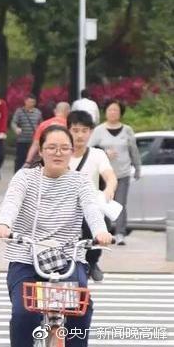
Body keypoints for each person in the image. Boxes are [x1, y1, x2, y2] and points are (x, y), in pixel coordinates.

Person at [0, 124, 112, 347]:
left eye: (64, 148)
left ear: (71, 152)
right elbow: (11, 202)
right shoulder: (25, 178)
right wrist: (4, 224)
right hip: (25, 257)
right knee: (24, 313)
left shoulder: (80, 181)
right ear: (40, 150)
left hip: (67, 258)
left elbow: (91, 209)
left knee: (81, 309)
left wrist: (100, 231)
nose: (58, 153)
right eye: (51, 147)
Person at [67, 110, 117, 282]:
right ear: (68, 130)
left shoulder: (97, 154)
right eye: (75, 130)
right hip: (64, 207)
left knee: (100, 229)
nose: (80, 135)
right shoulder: (60, 154)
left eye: (84, 130)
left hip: (90, 206)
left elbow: (110, 175)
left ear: (91, 132)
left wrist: (109, 188)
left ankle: (92, 262)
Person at [90, 99, 141, 245]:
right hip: (103, 175)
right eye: (110, 110)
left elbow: (134, 150)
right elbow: (89, 149)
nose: (113, 112)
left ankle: (120, 233)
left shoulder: (127, 130)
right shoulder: (99, 130)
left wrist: (137, 168)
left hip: (122, 173)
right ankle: (105, 232)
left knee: (120, 203)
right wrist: (104, 152)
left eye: (116, 110)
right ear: (105, 112)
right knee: (104, 203)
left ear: (121, 113)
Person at [11, 94, 42, 173]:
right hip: (22, 140)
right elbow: (14, 122)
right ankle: (17, 174)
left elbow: (41, 124)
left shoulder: (38, 112)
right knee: (20, 159)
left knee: (33, 159)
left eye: (32, 102)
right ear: (25, 101)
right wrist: (16, 129)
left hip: (33, 141)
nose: (30, 103)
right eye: (29, 101)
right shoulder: (19, 111)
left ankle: (30, 175)